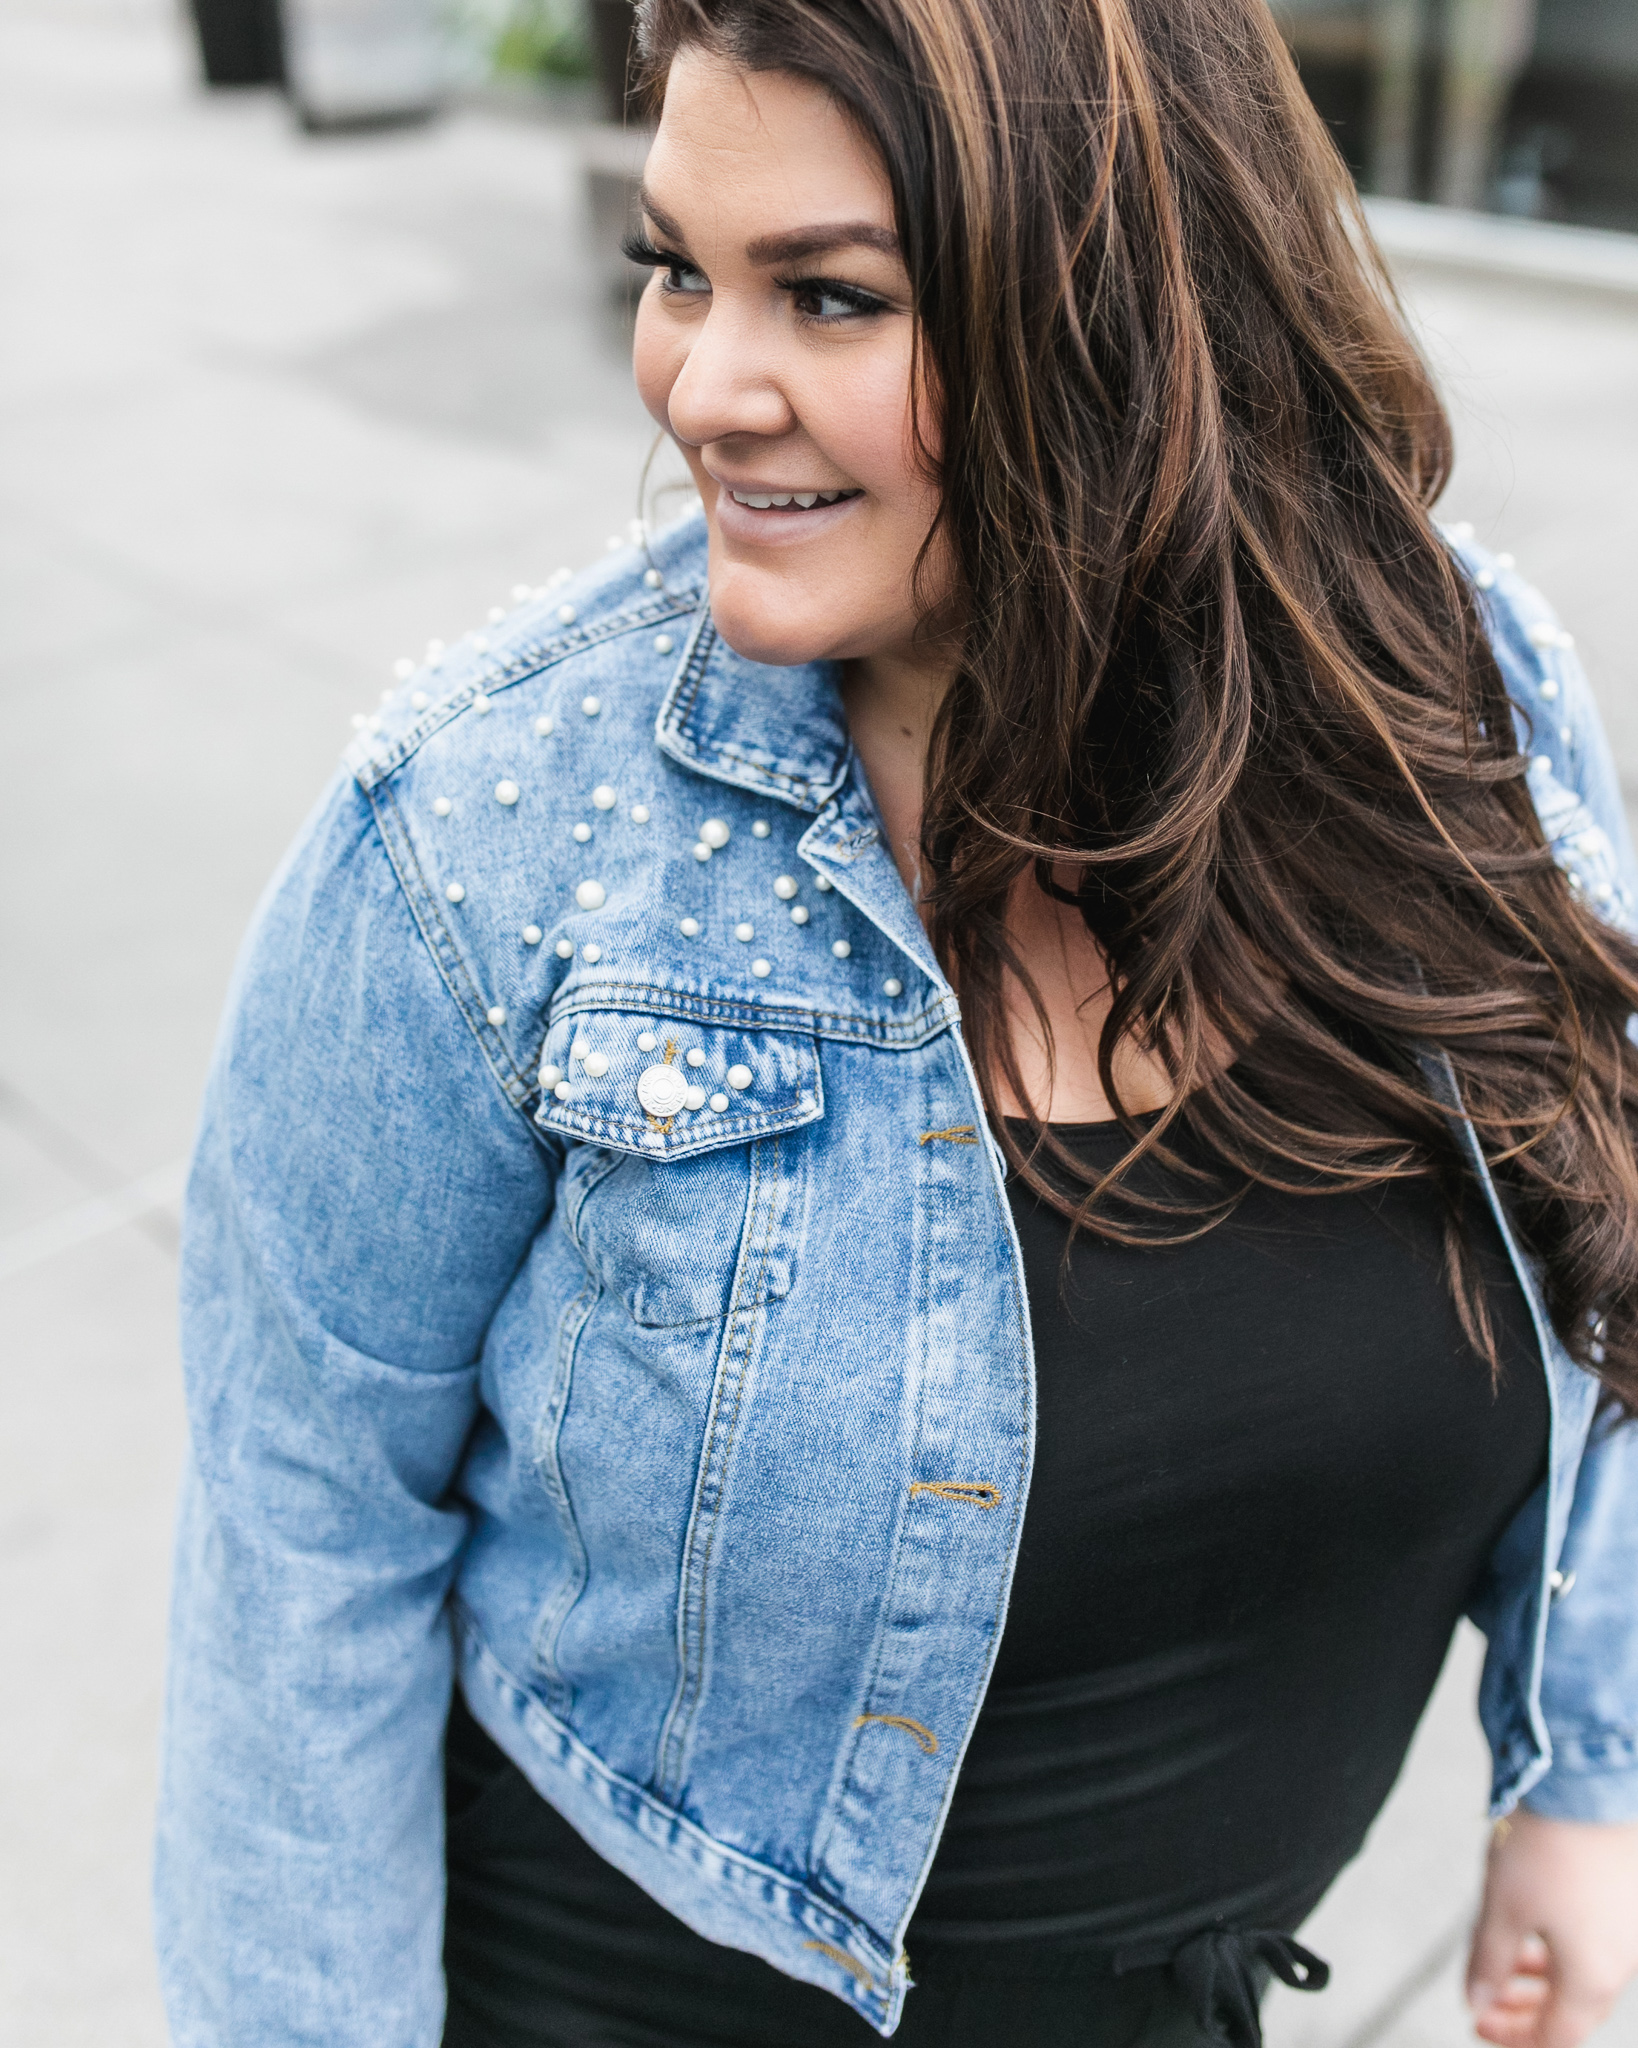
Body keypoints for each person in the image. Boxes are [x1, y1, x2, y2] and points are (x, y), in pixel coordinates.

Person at [154, 1, 1638, 2044]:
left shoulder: (1448, 698)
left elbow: (1600, 1239)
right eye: (677, 267)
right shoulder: (483, 843)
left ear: (1119, 310)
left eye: (831, 297)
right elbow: (300, 1522)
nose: (703, 383)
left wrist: (1591, 1771)